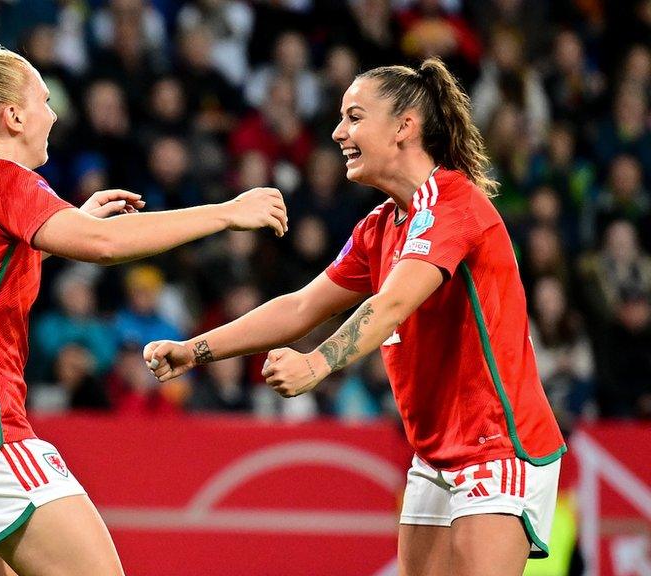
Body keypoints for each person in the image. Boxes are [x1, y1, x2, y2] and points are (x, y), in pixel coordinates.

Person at [0, 47, 287, 576]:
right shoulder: (2, 178)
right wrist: (225, 213)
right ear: (14, 116)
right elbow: (106, 244)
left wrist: (56, 229)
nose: (53, 114)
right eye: (44, 100)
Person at [145, 57, 565, 576]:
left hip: (499, 444)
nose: (338, 131)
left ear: (404, 128)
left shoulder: (453, 203)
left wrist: (317, 365)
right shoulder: (381, 226)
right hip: (434, 455)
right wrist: (195, 349)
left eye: (354, 117)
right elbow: (300, 306)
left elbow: (390, 303)